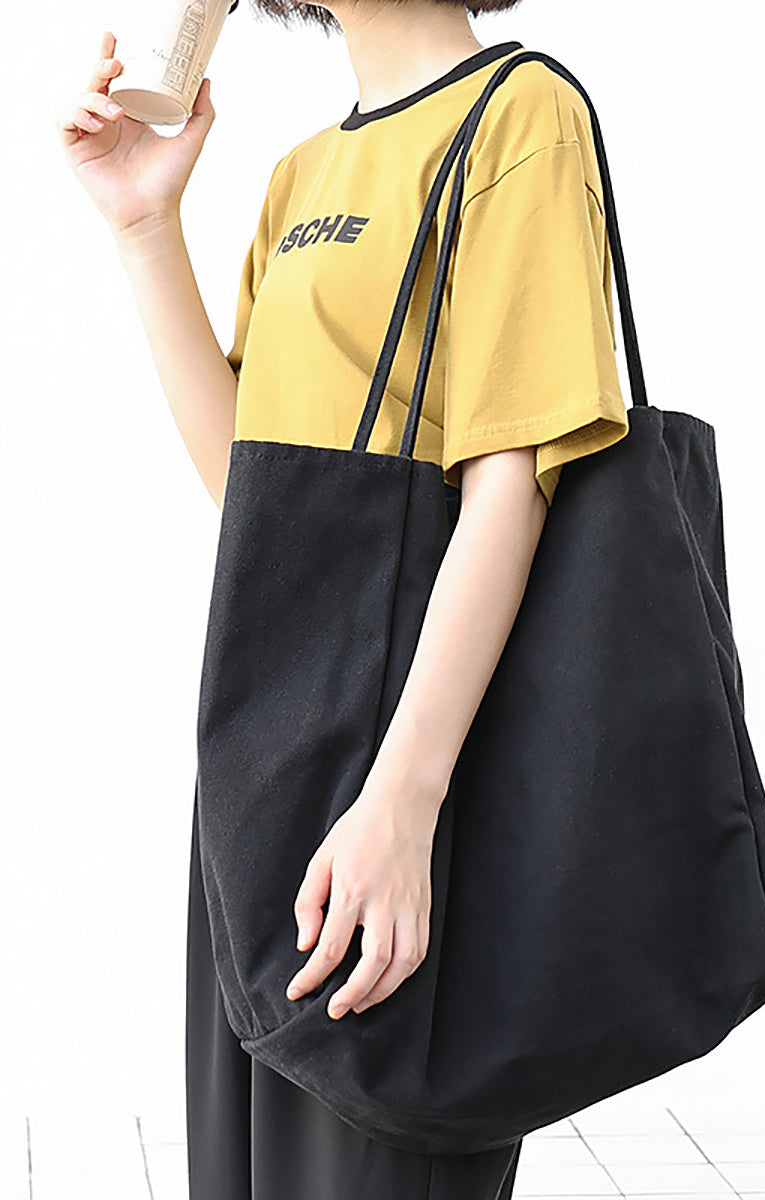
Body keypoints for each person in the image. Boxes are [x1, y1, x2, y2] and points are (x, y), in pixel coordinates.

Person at [57, 1, 629, 1195]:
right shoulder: (303, 172)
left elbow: (508, 491)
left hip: (404, 781)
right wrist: (146, 225)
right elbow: (251, 496)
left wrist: (402, 809)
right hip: (259, 776)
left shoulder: (521, 114)